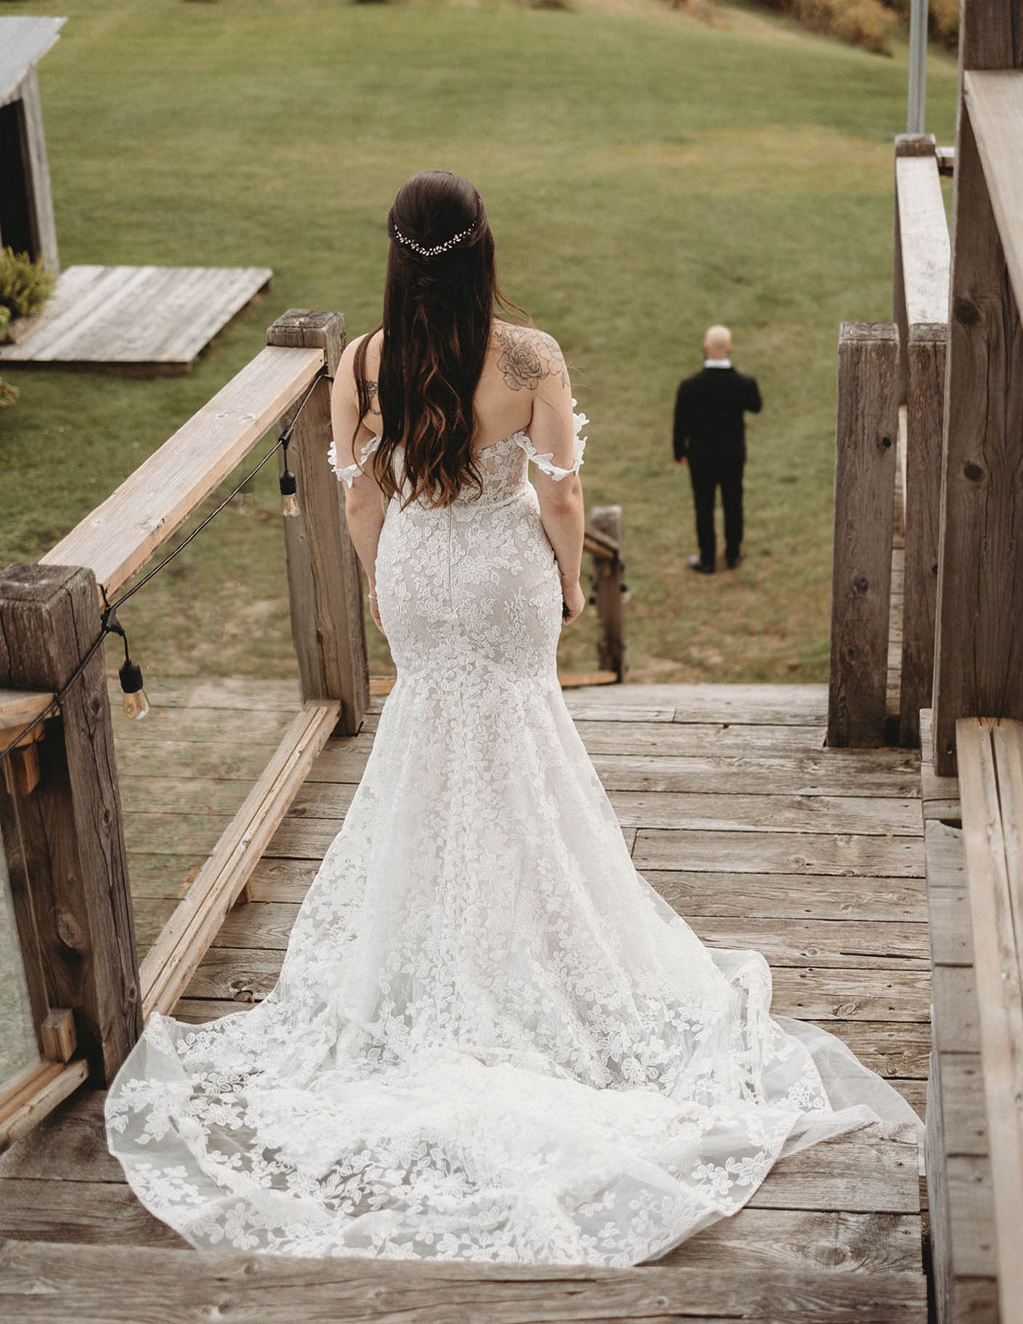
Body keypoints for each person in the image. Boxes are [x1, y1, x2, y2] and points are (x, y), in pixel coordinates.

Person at [105, 171, 917, 1266]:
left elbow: (358, 496)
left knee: (427, 749)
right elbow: (561, 497)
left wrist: (389, 589)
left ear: (396, 256)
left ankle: (432, 940)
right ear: (482, 250)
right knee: (521, 744)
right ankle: (538, 944)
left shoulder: (359, 363)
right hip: (499, 575)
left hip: (420, 576)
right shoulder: (530, 358)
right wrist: (571, 586)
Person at [673, 324, 762, 573]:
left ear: (705, 349)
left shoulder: (689, 386)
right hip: (733, 454)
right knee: (734, 501)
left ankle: (707, 559)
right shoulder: (744, 383)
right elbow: (756, 406)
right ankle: (733, 554)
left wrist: (679, 451)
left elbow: (681, 423)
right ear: (730, 349)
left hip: (700, 457)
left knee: (704, 507)